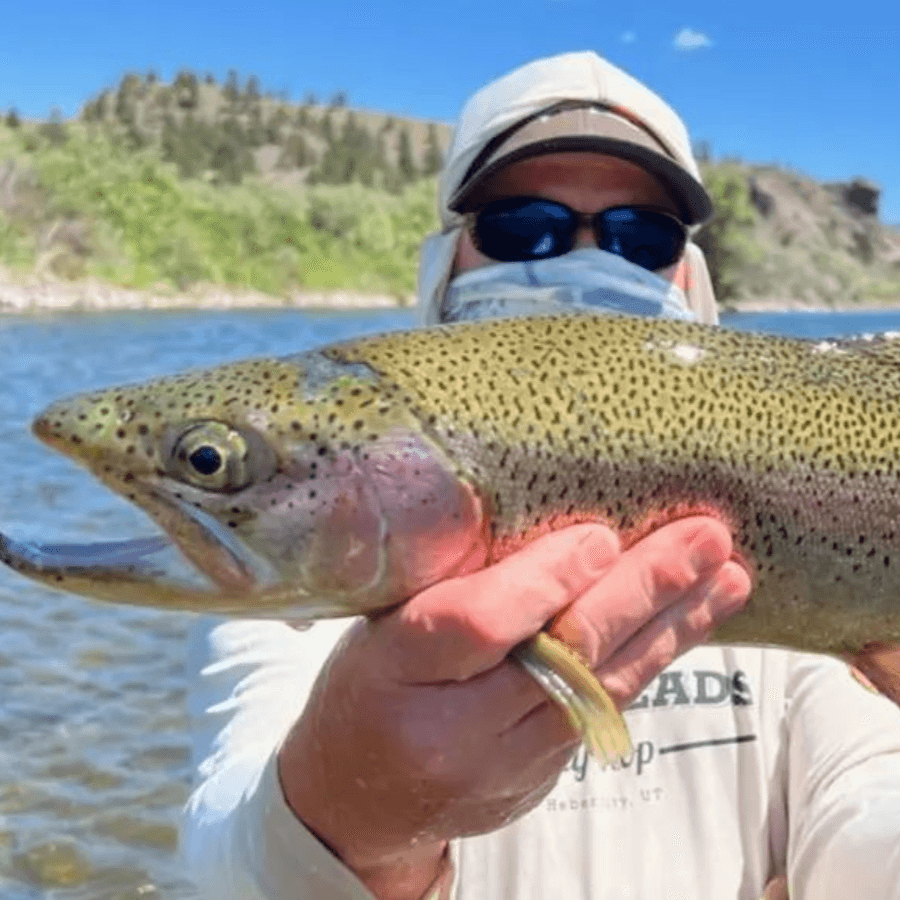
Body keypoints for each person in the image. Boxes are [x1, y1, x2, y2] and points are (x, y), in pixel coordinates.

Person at [182, 52, 900, 900]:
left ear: (692, 282)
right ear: (443, 271)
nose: (588, 258)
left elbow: (869, 798)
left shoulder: (794, 482)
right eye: (523, 227)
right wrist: (352, 812)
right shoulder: (314, 532)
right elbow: (226, 846)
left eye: (644, 237)